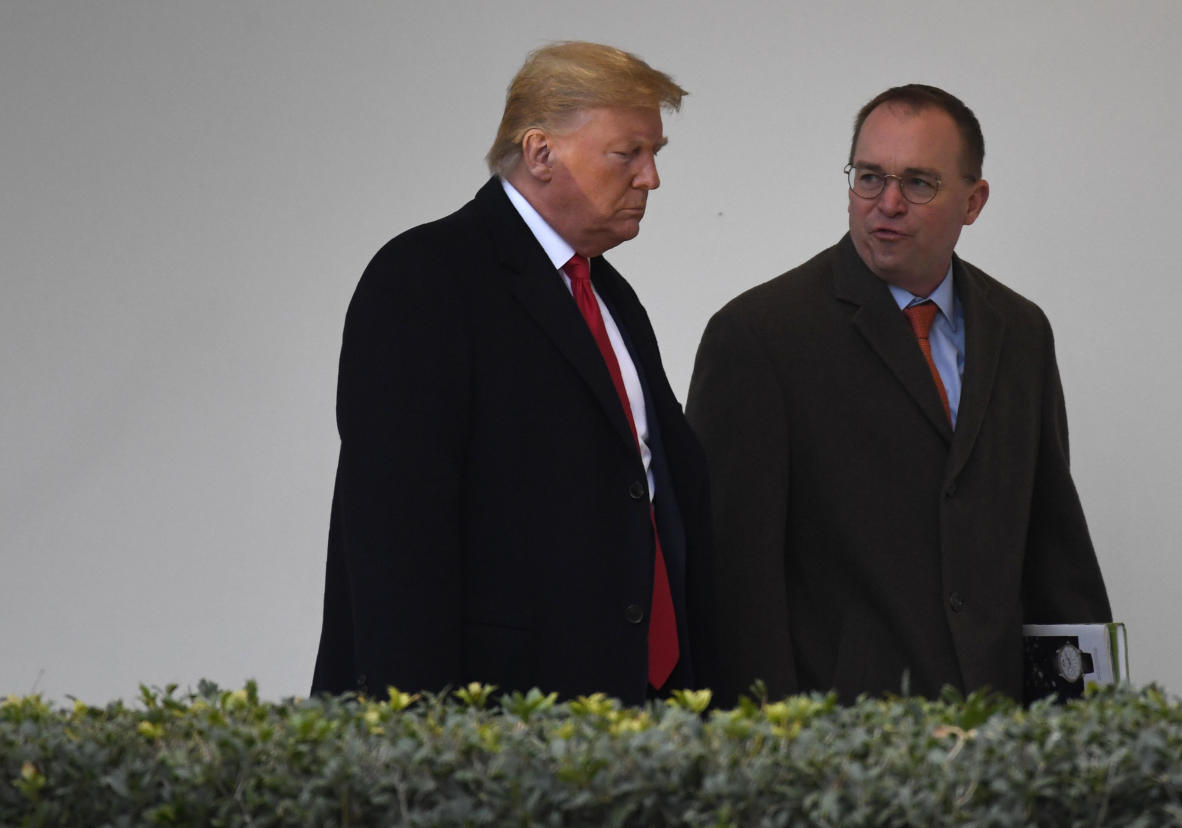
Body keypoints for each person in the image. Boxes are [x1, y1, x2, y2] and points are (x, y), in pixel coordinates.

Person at [311, 42, 713, 706]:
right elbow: (395, 537)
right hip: (497, 725)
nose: (650, 178)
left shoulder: (609, 294)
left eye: (655, 154)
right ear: (540, 153)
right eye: (628, 154)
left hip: (635, 711)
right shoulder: (425, 277)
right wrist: (421, 735)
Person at [686, 84, 1110, 705]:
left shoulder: (1020, 331)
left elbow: (1051, 542)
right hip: (843, 746)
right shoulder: (759, 337)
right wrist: (766, 754)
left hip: (999, 738)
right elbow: (733, 584)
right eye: (868, 177)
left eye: (918, 183)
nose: (886, 203)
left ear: (974, 200)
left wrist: (1078, 727)